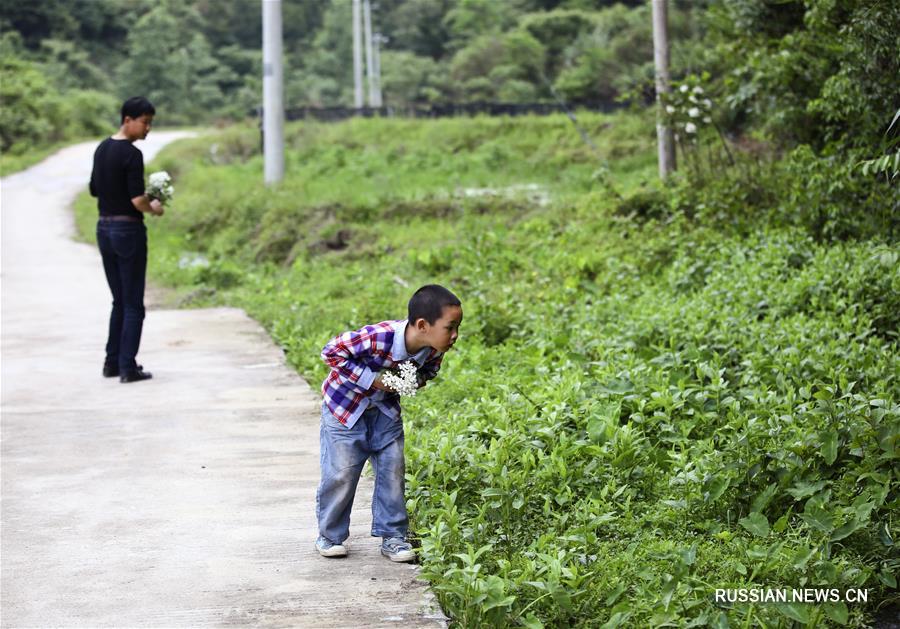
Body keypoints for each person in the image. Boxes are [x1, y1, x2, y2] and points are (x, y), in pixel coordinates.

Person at [316, 284, 462, 562]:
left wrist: (409, 383)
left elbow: (428, 373)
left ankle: (393, 537)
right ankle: (330, 535)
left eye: (457, 328)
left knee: (393, 472)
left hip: (385, 413)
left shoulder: (433, 350)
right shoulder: (377, 337)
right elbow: (330, 352)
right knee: (342, 474)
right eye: (450, 327)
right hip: (344, 410)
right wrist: (374, 379)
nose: (455, 335)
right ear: (422, 325)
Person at [89, 96, 164, 383]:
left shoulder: (102, 148)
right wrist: (154, 206)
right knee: (133, 303)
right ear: (128, 120)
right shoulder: (132, 154)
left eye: (150, 123)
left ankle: (112, 363)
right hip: (128, 232)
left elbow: (94, 189)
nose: (148, 129)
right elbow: (137, 200)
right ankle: (128, 367)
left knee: (119, 300)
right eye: (145, 122)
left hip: (103, 229)